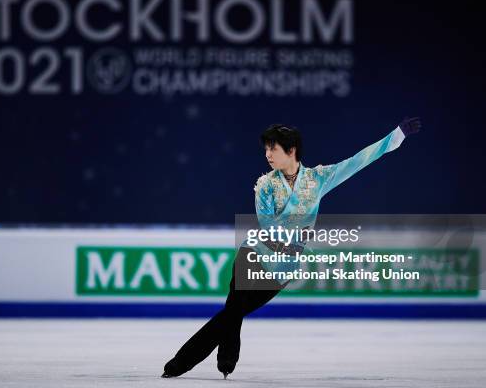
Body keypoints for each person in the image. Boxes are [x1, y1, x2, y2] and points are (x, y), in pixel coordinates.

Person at [161, 117, 422, 379]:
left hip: (282, 269)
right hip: (253, 254)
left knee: (234, 312)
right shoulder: (265, 184)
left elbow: (357, 161)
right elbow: (267, 224)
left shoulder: (318, 179)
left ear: (291, 150)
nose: (267, 155)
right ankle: (181, 364)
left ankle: (224, 357)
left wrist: (396, 135)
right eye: (265, 149)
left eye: (272, 149)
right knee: (234, 311)